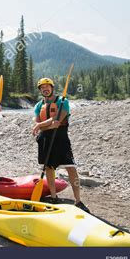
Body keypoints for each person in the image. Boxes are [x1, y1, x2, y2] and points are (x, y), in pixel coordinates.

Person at [32, 77, 90, 212]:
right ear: (40, 90)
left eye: (47, 87)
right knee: (49, 168)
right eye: (42, 88)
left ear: (52, 88)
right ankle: (53, 197)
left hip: (61, 139)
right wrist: (48, 126)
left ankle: (78, 200)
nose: (45, 89)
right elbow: (38, 125)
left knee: (71, 168)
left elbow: (59, 118)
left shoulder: (63, 102)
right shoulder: (38, 106)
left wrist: (42, 124)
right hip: (45, 139)